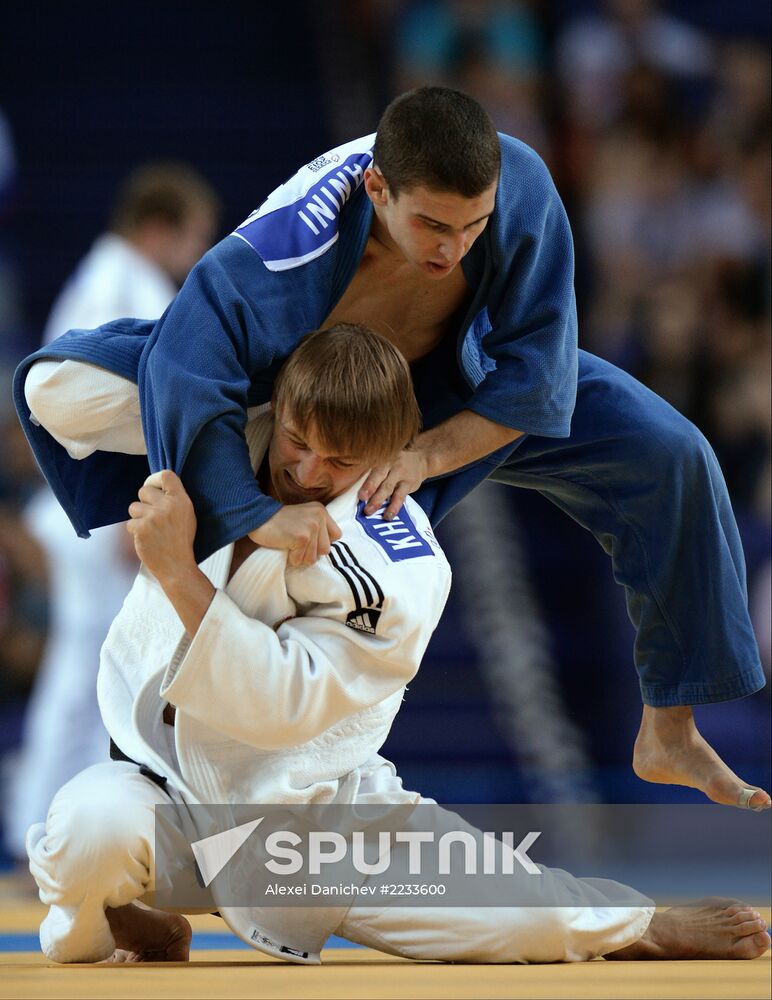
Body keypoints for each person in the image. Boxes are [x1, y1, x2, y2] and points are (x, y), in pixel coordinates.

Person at [14, 87, 768, 811]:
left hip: (451, 384)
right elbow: (187, 362)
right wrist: (251, 513)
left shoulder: (520, 187)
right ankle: (241, 472)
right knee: (61, 387)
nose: (454, 248)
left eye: (472, 227)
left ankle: (671, 725)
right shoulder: (281, 248)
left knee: (672, 452)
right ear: (377, 187)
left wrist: (428, 455)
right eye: (434, 226)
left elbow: (540, 378)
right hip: (290, 395)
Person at [25, 325, 770, 966]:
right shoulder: (218, 431)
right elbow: (56, 390)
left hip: (307, 830)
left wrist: (178, 574)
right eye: (297, 441)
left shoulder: (401, 562)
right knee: (86, 833)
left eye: (340, 462)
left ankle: (640, 927)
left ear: (389, 457)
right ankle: (137, 918)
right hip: (163, 789)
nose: (308, 473)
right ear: (277, 405)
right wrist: (211, 348)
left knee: (521, 916)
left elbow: (282, 703)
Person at [3, 163, 220, 862]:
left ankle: (45, 832)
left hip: (94, 508)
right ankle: (43, 834)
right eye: (192, 239)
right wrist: (134, 512)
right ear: (157, 230)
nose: (193, 258)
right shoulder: (127, 281)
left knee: (91, 677)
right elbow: (129, 406)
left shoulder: (103, 278)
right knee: (90, 680)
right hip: (104, 512)